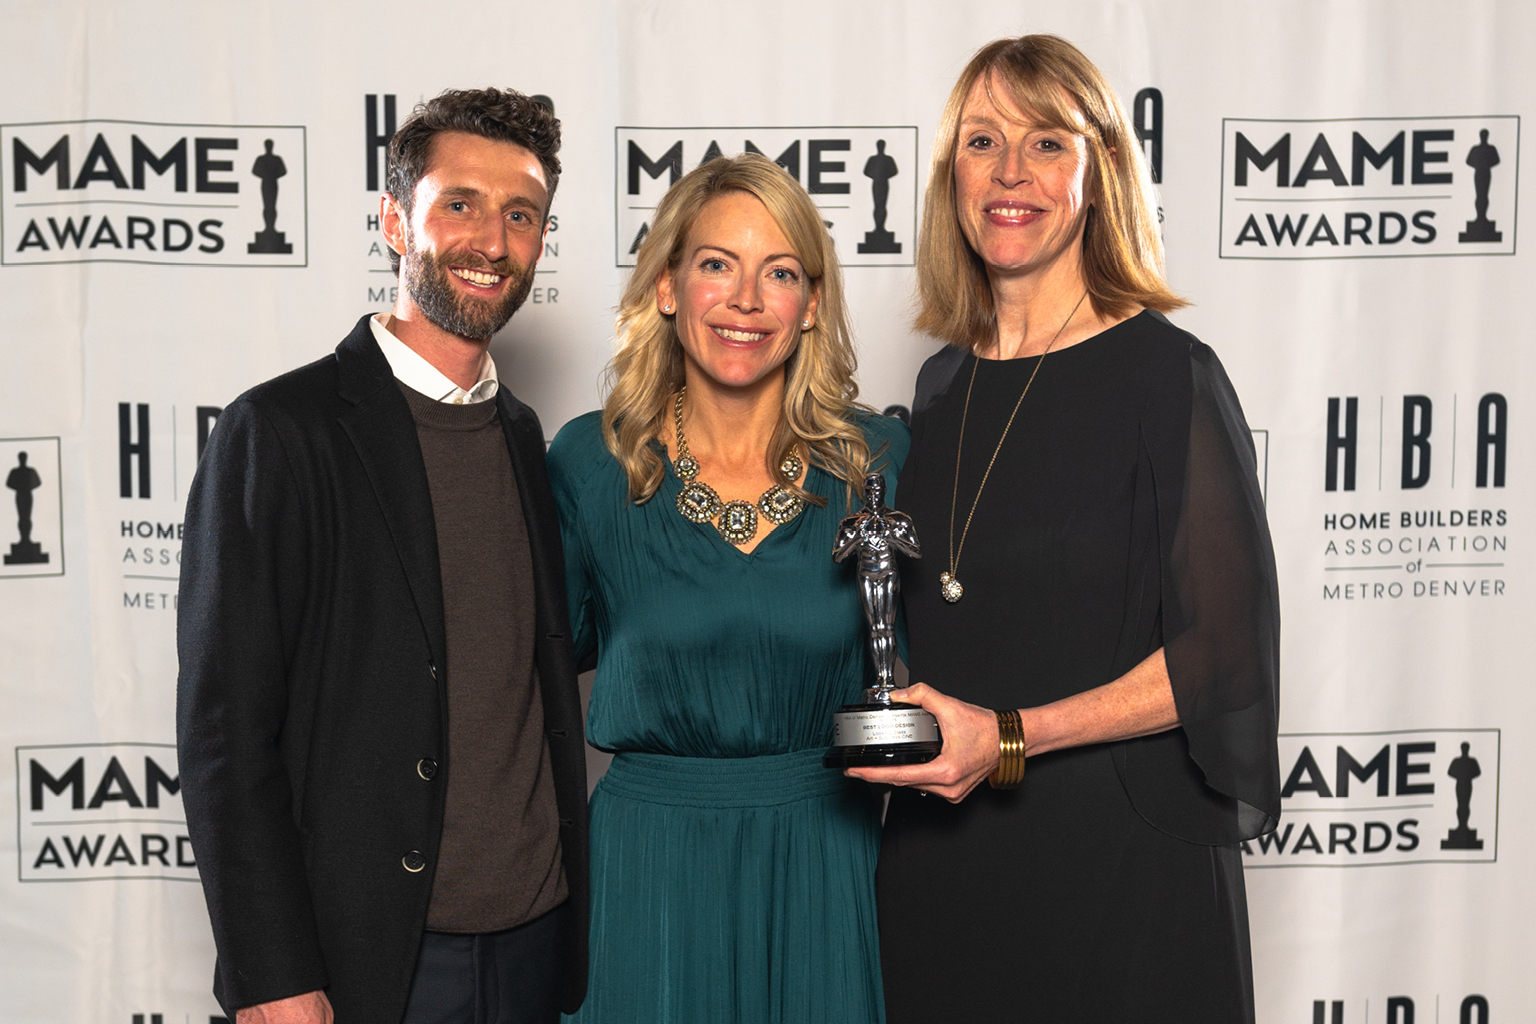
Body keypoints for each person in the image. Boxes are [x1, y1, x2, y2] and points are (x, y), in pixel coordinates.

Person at [848, 35, 1281, 1023]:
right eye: (982, 141)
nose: (1010, 173)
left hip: (1123, 876)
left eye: (1047, 143)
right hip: (946, 868)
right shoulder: (940, 387)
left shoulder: (1167, 376)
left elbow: (1220, 656)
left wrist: (1005, 737)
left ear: (1101, 172)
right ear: (949, 173)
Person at [177, 88, 588, 1024]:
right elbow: (223, 736)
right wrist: (273, 976)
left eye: (520, 215)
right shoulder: (279, 431)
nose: (491, 239)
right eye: (460, 204)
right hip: (371, 958)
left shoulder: (525, 438)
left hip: (536, 941)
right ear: (395, 220)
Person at [547, 152, 906, 1024]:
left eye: (779, 272)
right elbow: (525, 687)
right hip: (646, 873)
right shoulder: (591, 461)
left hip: (826, 861)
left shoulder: (876, 461)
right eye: (716, 265)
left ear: (811, 304)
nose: (746, 300)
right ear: (668, 286)